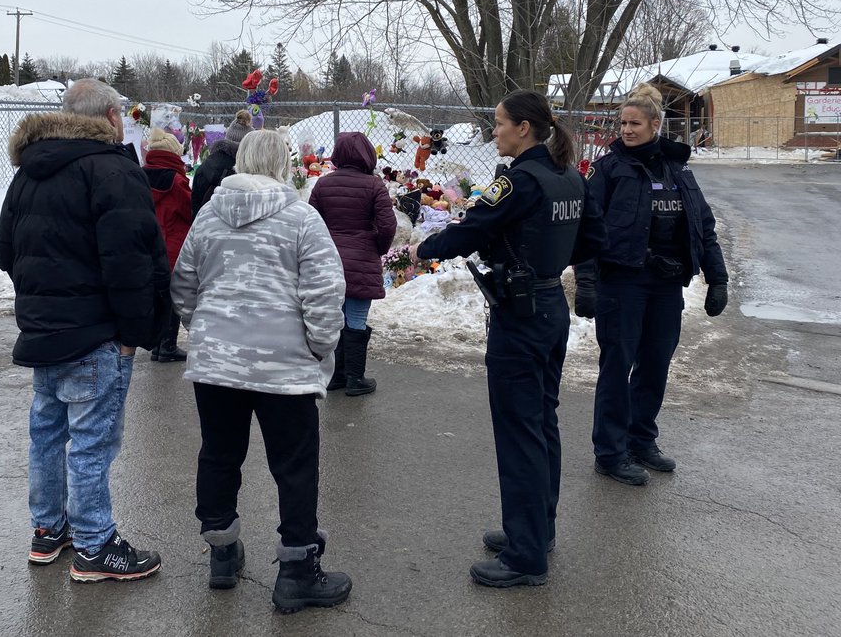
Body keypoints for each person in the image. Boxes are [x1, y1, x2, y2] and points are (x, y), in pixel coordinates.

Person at [410, 90, 605, 589]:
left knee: (519, 432)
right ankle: (537, 529)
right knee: (542, 420)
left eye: (498, 123)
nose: (494, 131)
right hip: (549, 308)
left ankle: (525, 556)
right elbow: (588, 241)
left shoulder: (519, 180)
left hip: (520, 316)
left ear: (523, 128)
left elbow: (472, 229)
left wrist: (420, 248)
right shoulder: (569, 177)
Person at [171, 128, 354, 613]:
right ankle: (296, 570)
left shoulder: (209, 215)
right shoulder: (301, 219)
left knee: (219, 455)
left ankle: (222, 553)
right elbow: (322, 294)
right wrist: (318, 349)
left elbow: (183, 282)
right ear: (283, 164)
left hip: (217, 366)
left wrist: (207, 332)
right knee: (293, 466)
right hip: (284, 368)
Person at [0, 78, 169, 583]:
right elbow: (133, 262)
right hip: (96, 335)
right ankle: (94, 545)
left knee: (47, 434)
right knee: (92, 442)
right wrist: (135, 332)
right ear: (112, 118)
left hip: (44, 330)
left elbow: (8, 252)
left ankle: (49, 530)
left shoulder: (27, 173)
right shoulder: (112, 169)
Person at [573, 83, 728, 487]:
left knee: (655, 365)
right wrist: (586, 282)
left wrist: (718, 279)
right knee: (616, 367)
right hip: (622, 284)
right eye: (622, 123)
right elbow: (587, 229)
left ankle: (641, 440)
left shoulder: (678, 170)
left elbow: (703, 227)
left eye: (634, 123)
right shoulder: (609, 169)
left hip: (665, 284)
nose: (626, 129)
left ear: (655, 124)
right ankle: (610, 452)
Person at [308, 131, 397, 395]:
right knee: (356, 319)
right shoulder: (374, 185)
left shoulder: (323, 185)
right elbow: (388, 225)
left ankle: (336, 375)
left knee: (335, 318)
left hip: (329, 262)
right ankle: (355, 379)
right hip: (361, 259)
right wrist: (376, 248)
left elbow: (311, 223)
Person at [142, 128, 192, 362]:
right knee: (173, 295)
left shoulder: (139, 176)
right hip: (172, 244)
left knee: (157, 294)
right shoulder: (176, 180)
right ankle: (168, 345)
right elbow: (189, 210)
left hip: (147, 244)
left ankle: (156, 344)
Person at [191, 109, 252, 216]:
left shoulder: (206, 165)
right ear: (248, 145)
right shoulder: (247, 172)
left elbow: (194, 204)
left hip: (203, 222)